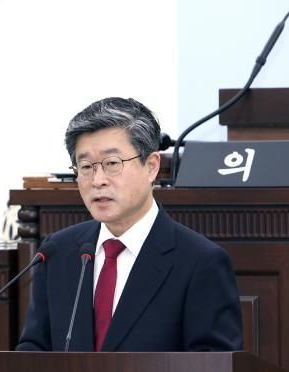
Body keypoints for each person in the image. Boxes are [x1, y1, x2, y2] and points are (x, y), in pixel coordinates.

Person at [16, 97, 242, 352]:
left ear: (151, 166)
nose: (97, 180)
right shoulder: (58, 252)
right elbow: (33, 351)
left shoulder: (200, 262)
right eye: (86, 166)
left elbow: (215, 367)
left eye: (112, 164)